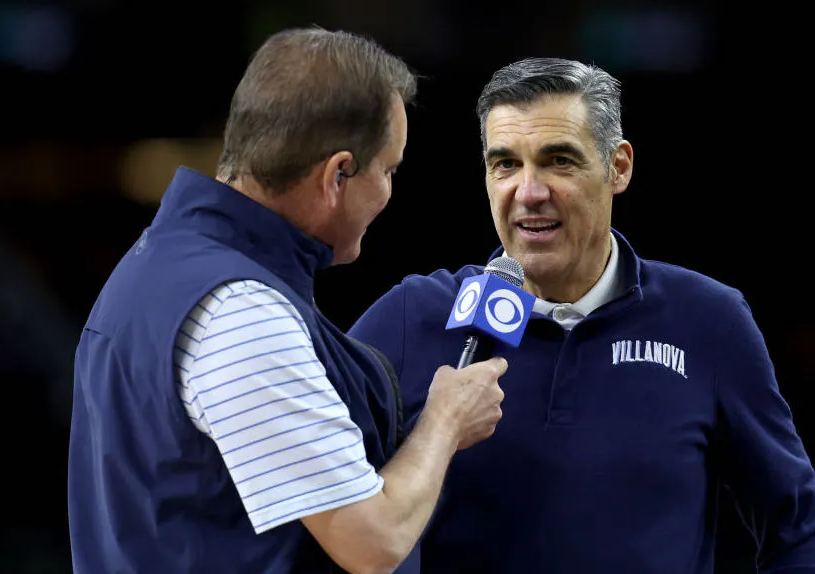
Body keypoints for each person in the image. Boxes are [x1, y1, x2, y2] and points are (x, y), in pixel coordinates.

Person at [348, 57, 815, 573]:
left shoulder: (709, 322)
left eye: (559, 160)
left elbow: (797, 528)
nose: (529, 193)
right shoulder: (414, 316)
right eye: (506, 164)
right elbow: (310, 496)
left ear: (618, 167)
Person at [67, 27, 508, 574]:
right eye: (389, 171)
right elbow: (372, 541)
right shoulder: (239, 313)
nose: (390, 193)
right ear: (337, 174)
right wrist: (445, 420)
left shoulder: (160, 263)